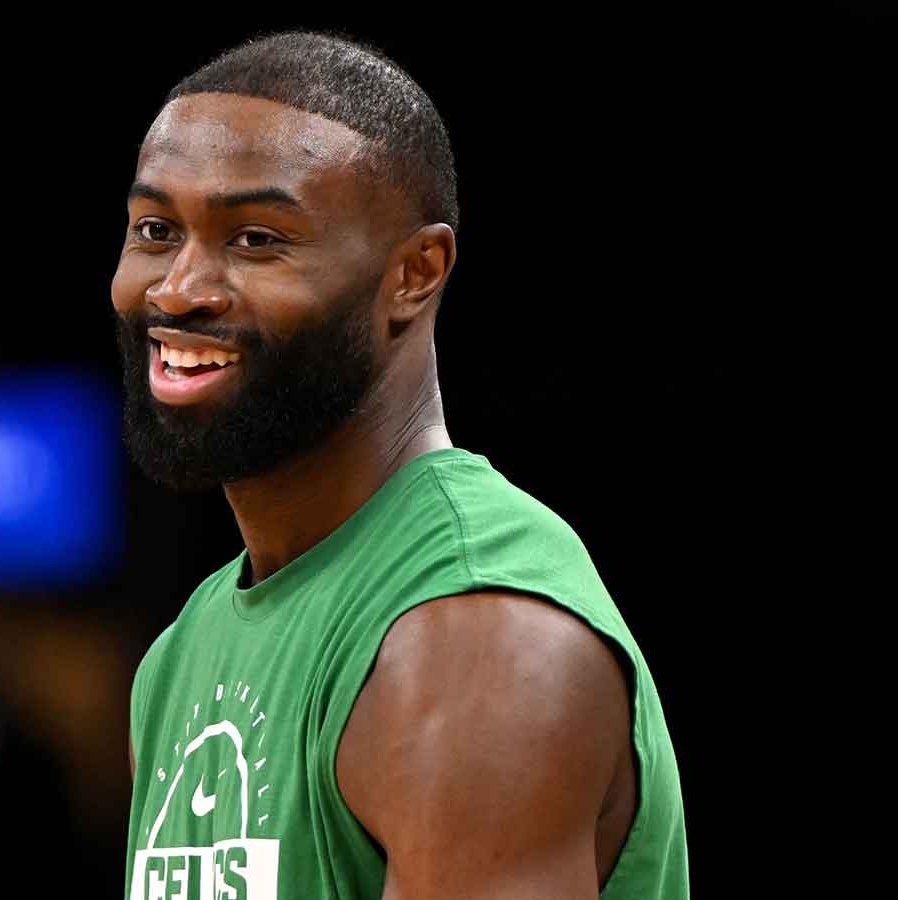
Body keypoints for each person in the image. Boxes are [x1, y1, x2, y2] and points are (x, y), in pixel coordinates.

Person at [113, 32, 687, 900]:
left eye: (257, 238)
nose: (179, 288)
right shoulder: (184, 650)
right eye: (157, 230)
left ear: (416, 274)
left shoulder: (478, 633)